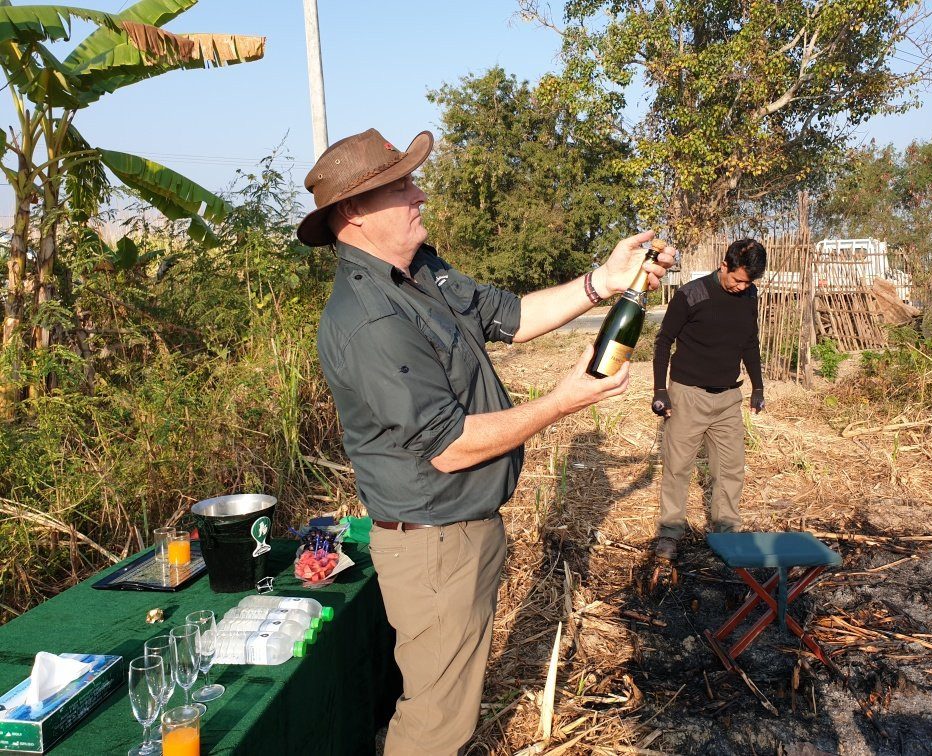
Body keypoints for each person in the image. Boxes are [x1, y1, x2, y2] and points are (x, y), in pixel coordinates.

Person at [297, 127, 675, 755]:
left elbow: (512, 316)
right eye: (401, 187)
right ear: (354, 214)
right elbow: (447, 446)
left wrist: (602, 283)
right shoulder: (369, 322)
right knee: (437, 725)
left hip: (462, 531)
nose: (420, 194)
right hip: (435, 545)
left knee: (443, 706)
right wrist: (561, 401)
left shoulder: (419, 271)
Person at [650, 239, 767, 561]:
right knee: (678, 468)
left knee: (731, 470)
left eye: (750, 282)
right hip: (688, 396)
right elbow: (663, 343)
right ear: (724, 265)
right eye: (738, 279)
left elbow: (750, 342)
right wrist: (660, 390)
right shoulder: (691, 294)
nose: (742, 286)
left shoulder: (749, 295)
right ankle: (670, 534)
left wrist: (758, 387)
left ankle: (726, 535)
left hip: (728, 398)